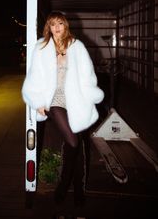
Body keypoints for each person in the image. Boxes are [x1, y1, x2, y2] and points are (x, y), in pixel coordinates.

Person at [22, 11, 104, 206]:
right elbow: (34, 77)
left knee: (76, 147)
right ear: (48, 27)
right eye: (52, 24)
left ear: (65, 25)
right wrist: (38, 101)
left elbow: (88, 76)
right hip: (54, 101)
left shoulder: (76, 46)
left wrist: (90, 95)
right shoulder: (41, 47)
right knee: (73, 142)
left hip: (76, 101)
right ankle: (63, 185)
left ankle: (78, 190)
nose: (57, 27)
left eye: (60, 23)